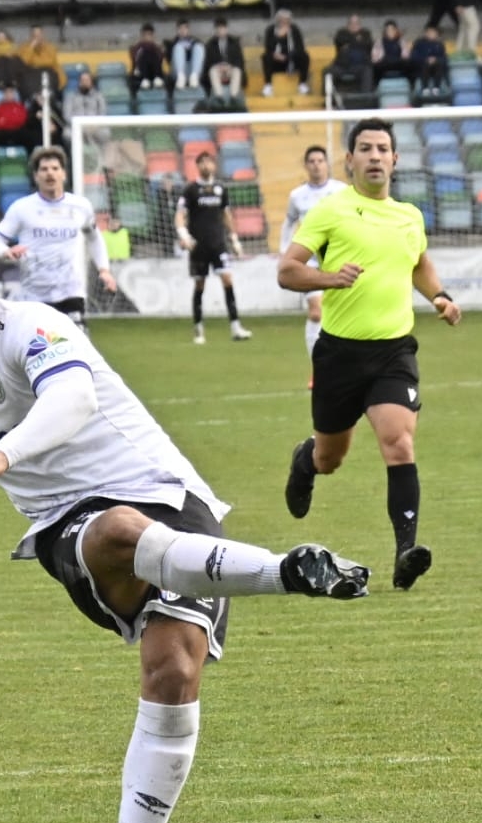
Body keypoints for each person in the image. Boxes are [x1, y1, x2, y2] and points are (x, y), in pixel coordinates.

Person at [0, 223, 369, 823]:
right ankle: (286, 571)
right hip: (69, 525)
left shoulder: (31, 324)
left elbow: (72, 399)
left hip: (171, 494)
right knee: (117, 530)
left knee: (174, 670)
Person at [277, 118, 462, 592]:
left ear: (395, 160)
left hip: (393, 352)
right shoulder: (330, 212)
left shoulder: (409, 216)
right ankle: (306, 461)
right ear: (351, 161)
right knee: (331, 457)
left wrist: (438, 296)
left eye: (383, 148)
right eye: (366, 148)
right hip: (339, 354)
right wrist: (330, 278)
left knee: (399, 443)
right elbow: (288, 270)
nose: (375, 155)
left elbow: (418, 260)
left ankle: (406, 551)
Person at [0, 147, 118, 328]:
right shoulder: (22, 208)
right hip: (34, 296)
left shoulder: (81, 206)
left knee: (77, 351)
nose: (50, 173)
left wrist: (104, 270)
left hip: (71, 293)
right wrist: (6, 251)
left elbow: (94, 238)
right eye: (44, 169)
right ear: (36, 176)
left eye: (55, 168)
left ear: (63, 174)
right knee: (36, 352)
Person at [282, 145, 349, 379]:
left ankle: (341, 362)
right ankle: (318, 368)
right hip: (308, 260)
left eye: (320, 160)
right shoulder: (297, 196)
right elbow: (288, 222)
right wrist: (285, 252)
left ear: (327, 164)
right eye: (312, 161)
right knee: (316, 312)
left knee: (340, 313)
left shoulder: (342, 191)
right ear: (306, 165)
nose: (316, 165)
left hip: (336, 259)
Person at [175, 151, 253, 344]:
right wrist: (184, 235)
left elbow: (226, 215)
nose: (206, 166)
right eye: (201, 163)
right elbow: (180, 215)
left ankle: (236, 327)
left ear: (214, 165)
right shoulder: (191, 190)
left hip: (219, 244)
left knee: (227, 280)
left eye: (209, 162)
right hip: (198, 246)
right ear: (197, 166)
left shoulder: (221, 189)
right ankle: (198, 329)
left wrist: (234, 239)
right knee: (200, 285)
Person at [261, 8, 310, 97]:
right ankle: (268, 85)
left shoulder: (294, 30)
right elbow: (268, 48)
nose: (284, 22)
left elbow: (300, 48)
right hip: (276, 61)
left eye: (287, 20)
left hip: (291, 59)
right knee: (265, 57)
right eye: (282, 20)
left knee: (304, 56)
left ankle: (302, 83)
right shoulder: (271, 30)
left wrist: (287, 56)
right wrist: (278, 38)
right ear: (278, 20)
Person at [202, 18, 245, 104]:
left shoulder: (234, 43)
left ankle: (234, 96)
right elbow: (207, 63)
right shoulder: (210, 45)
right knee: (212, 71)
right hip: (218, 71)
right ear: (215, 30)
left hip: (230, 69)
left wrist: (230, 66)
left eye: (222, 28)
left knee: (237, 71)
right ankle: (219, 96)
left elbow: (240, 61)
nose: (221, 31)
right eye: (218, 29)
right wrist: (218, 66)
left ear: (226, 29)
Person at [128, 23, 167, 96]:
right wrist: (145, 48)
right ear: (142, 36)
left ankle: (157, 78)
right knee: (146, 52)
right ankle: (145, 79)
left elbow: (161, 59)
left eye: (149, 35)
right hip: (140, 73)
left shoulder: (157, 48)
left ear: (153, 36)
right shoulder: (136, 48)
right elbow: (135, 59)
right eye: (145, 35)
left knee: (152, 52)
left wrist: (155, 47)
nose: (147, 37)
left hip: (155, 71)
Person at [169, 20, 205, 91]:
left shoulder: (195, 41)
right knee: (178, 47)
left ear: (188, 30)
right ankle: (181, 77)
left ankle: (194, 77)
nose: (183, 30)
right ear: (177, 30)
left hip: (192, 70)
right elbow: (169, 60)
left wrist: (189, 48)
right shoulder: (172, 43)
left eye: (185, 28)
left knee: (199, 47)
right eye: (180, 28)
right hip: (177, 72)